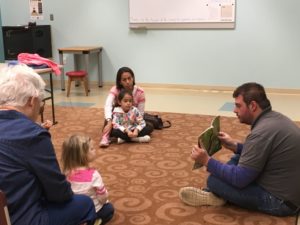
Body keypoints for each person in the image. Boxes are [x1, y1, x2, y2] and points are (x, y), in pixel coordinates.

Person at [179, 82, 300, 217]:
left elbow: (239, 179)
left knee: (214, 181)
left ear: (253, 106)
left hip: (281, 202)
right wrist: (234, 145)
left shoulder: (261, 133)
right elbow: (262, 152)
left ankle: (215, 194)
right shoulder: (275, 118)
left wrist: (207, 161)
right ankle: (218, 194)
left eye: (238, 106)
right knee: (239, 156)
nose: (234, 110)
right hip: (289, 188)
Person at [0, 64, 96, 225]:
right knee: (85, 204)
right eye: (41, 105)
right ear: (32, 101)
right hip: (18, 218)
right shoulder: (32, 134)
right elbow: (59, 193)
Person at [62, 134, 115, 224]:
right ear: (83, 155)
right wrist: (105, 199)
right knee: (109, 209)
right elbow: (102, 197)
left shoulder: (66, 172)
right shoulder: (94, 175)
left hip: (74, 211)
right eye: (92, 149)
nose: (94, 150)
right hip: (92, 210)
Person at [99, 66, 153, 147]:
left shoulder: (140, 92)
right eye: (124, 80)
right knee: (111, 129)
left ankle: (124, 138)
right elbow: (108, 105)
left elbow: (140, 114)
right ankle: (106, 138)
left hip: (133, 120)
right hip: (118, 119)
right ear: (120, 81)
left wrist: (136, 130)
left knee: (150, 127)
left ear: (133, 78)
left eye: (129, 78)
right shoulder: (115, 89)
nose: (128, 82)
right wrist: (110, 121)